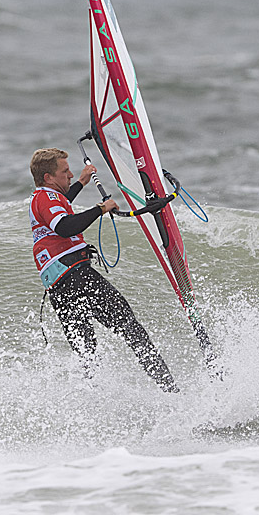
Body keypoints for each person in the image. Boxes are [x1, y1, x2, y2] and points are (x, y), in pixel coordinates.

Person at [29, 147, 178, 392]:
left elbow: (62, 205)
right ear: (48, 177)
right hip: (75, 276)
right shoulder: (46, 198)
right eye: (65, 171)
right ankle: (170, 389)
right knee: (130, 327)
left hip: (59, 287)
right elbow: (64, 227)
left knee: (86, 351)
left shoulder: (44, 198)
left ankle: (90, 400)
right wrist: (101, 209)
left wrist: (81, 182)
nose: (70, 174)